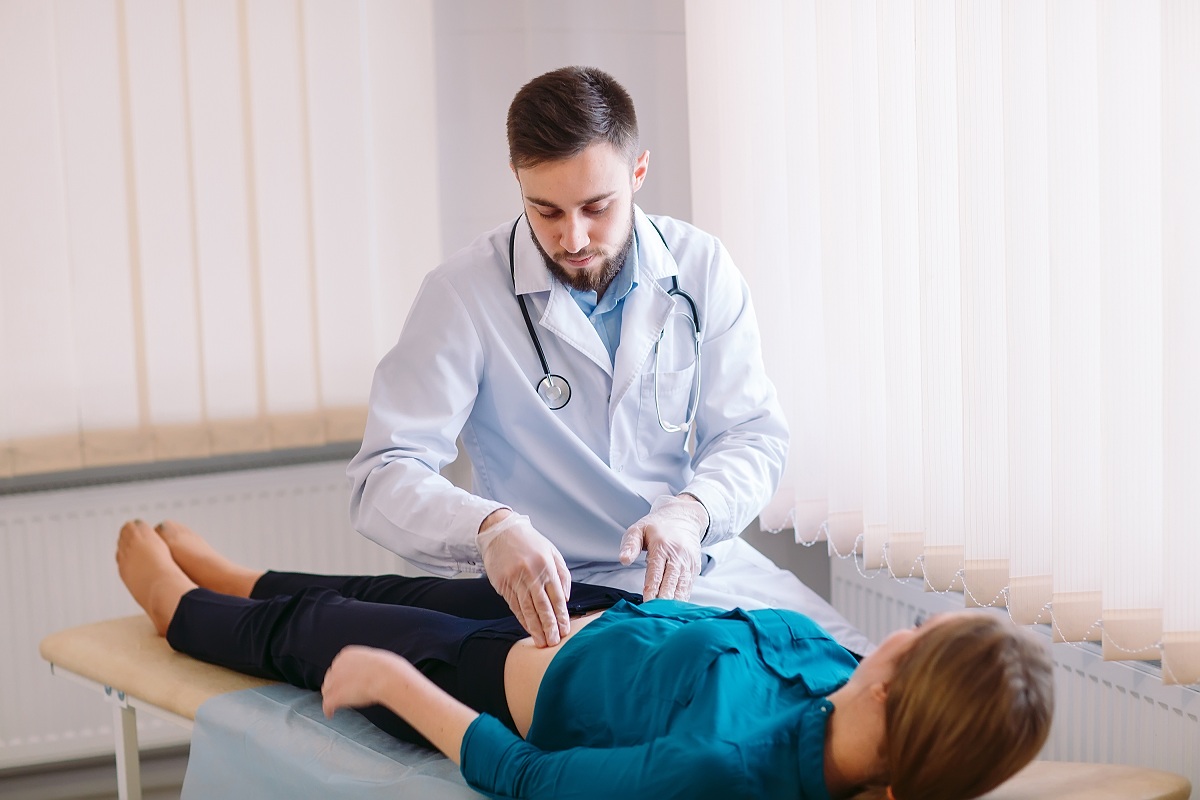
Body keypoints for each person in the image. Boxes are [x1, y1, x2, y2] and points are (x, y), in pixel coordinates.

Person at [348, 65, 866, 653]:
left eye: (596, 207)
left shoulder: (700, 268)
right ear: (517, 181)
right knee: (728, 702)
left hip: (698, 564)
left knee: (862, 668)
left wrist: (693, 512)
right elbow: (384, 473)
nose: (572, 238)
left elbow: (751, 434)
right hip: (561, 592)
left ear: (638, 170)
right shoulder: (462, 294)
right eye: (545, 211)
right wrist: (488, 528)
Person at [117, 519, 1054, 800]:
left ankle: (178, 611)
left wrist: (399, 688)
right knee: (397, 587)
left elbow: (531, 779)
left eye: (922, 631)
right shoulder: (846, 681)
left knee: (319, 630)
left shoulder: (727, 770)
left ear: (899, 684)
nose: (908, 625)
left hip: (506, 674)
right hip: (598, 619)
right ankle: (245, 574)